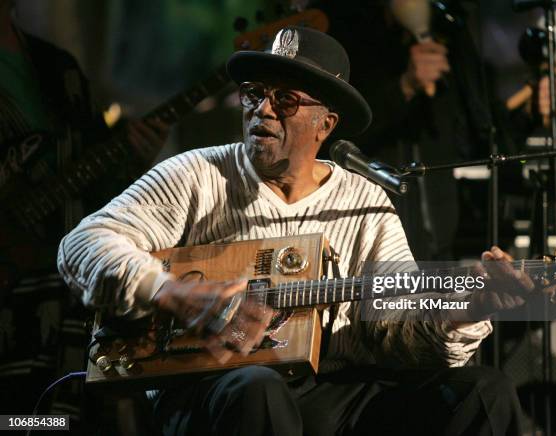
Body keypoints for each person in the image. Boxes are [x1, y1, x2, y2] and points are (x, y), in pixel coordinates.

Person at [58, 27, 528, 435]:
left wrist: (468, 308)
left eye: (284, 99)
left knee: (483, 391)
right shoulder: (197, 174)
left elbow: (398, 328)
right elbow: (83, 243)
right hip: (210, 385)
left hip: (331, 392)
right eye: (254, 93)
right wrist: (173, 293)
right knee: (258, 389)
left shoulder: (362, 201)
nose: (263, 109)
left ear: (326, 123)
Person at [0, 0, 168, 420]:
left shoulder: (58, 68)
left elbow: (99, 186)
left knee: (65, 417)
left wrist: (133, 155)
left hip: (61, 294)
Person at [315, 0, 556, 261]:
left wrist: (529, 114)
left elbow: (479, 139)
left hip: (439, 241)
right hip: (363, 236)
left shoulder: (452, 36)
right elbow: (333, 132)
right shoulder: (342, 28)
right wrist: (405, 87)